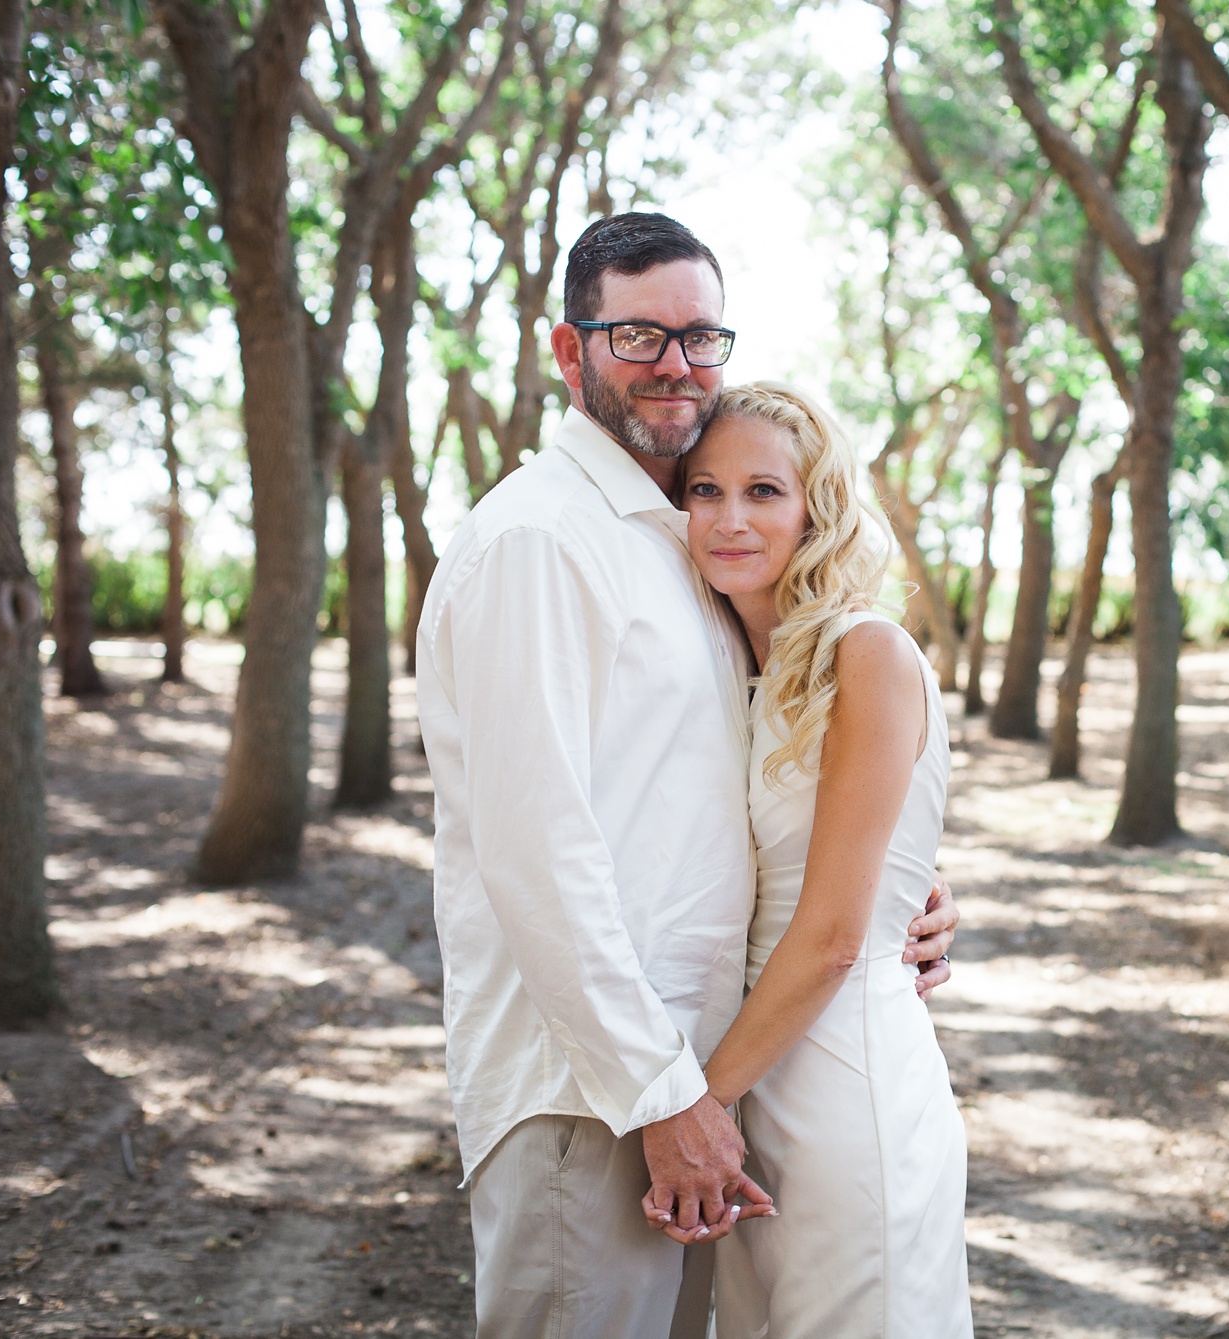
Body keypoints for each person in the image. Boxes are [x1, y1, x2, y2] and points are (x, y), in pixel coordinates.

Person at [415, 212, 958, 1339]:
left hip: (714, 1085)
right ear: (570, 353)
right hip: (599, 1092)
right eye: (637, 334)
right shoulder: (541, 543)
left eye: (701, 335)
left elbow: (741, 802)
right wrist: (671, 1096)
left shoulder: (672, 550)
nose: (676, 363)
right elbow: (538, 853)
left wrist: (896, 901)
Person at [644, 383, 973, 1338]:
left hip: (841, 1085)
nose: (729, 519)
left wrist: (694, 1111)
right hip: (751, 1067)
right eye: (704, 490)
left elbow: (835, 935)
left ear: (817, 508)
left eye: (764, 491)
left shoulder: (866, 653)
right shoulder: (726, 668)